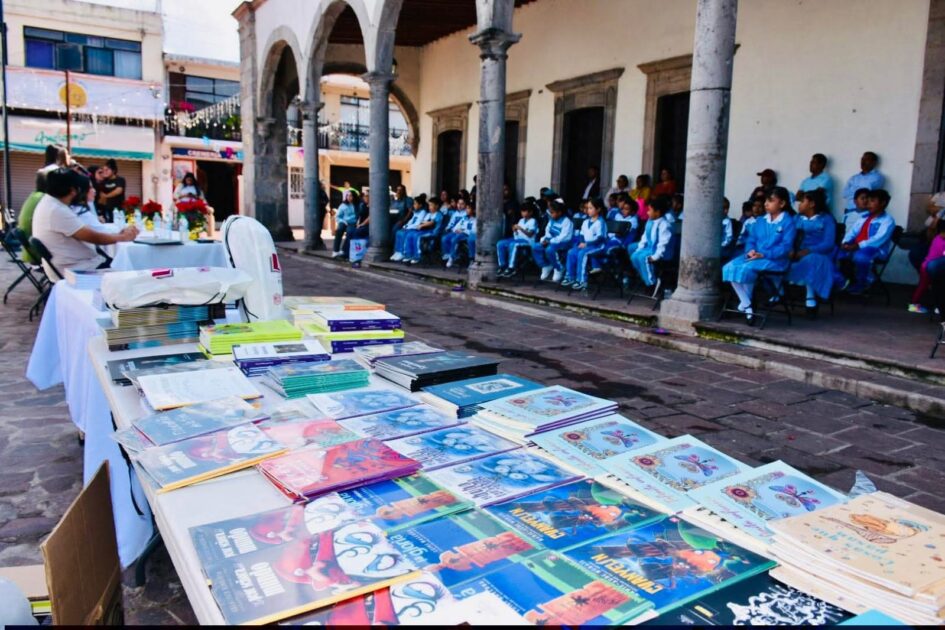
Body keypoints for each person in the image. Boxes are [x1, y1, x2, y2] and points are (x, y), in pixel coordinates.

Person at [32, 169, 138, 271]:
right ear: (74, 191)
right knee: (131, 269)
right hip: (78, 268)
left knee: (123, 264)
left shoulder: (50, 203)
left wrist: (118, 234)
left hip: (76, 263)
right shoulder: (57, 210)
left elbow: (87, 230)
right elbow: (94, 237)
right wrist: (123, 237)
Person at [722, 186, 797, 323]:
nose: (766, 204)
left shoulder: (788, 222)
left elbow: (785, 247)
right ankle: (747, 304)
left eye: (771, 201)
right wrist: (750, 250)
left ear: (782, 203)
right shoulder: (761, 221)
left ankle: (746, 305)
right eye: (766, 201)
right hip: (755, 257)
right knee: (730, 267)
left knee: (746, 269)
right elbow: (752, 239)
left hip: (775, 260)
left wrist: (764, 254)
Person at [835, 188, 896, 294]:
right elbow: (852, 232)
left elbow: (878, 239)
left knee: (861, 256)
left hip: (876, 250)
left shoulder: (887, 220)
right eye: (868, 200)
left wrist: (857, 246)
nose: (868, 203)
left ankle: (863, 283)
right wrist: (845, 241)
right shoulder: (863, 217)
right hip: (856, 246)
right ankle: (842, 281)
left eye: (872, 201)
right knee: (834, 252)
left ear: (882, 203)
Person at [787, 189, 837, 316]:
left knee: (812, 260)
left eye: (802, 201)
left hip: (820, 254)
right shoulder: (796, 218)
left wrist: (808, 251)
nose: (799, 204)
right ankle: (778, 293)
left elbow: (828, 243)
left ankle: (810, 298)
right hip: (796, 253)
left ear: (812, 204)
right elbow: (787, 237)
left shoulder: (826, 219)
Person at [628, 195, 673, 289]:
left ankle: (652, 283)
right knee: (634, 256)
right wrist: (639, 249)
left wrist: (656, 256)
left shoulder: (664, 224)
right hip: (650, 247)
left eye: (649, 210)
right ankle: (644, 279)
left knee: (643, 258)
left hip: (659, 251)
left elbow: (663, 243)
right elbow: (645, 236)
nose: (647, 212)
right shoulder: (650, 221)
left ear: (657, 212)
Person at [562, 198, 607, 291]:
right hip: (586, 245)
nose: (588, 210)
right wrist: (582, 242)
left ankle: (582, 280)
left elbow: (601, 238)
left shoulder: (600, 222)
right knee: (571, 252)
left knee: (583, 254)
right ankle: (570, 276)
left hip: (597, 246)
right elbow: (582, 234)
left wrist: (587, 244)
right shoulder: (586, 222)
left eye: (590, 208)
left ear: (598, 209)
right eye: (587, 208)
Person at [908, 219, 945, 313]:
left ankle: (915, 304)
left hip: (925, 265)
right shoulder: (942, 243)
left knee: (925, 286)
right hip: (929, 268)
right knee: (926, 286)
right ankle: (914, 305)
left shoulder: (936, 239)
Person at [532, 200, 574, 282]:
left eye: (553, 212)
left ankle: (559, 268)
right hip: (551, 241)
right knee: (536, 247)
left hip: (564, 243)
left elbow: (564, 236)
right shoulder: (551, 221)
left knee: (550, 249)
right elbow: (547, 232)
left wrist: (550, 241)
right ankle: (546, 265)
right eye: (550, 212)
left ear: (559, 212)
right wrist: (544, 239)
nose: (551, 214)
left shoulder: (567, 222)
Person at [496, 202, 538, 277]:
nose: (523, 213)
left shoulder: (533, 221)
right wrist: (514, 230)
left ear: (530, 212)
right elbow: (517, 234)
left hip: (527, 242)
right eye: (522, 211)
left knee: (513, 245)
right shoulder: (521, 220)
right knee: (500, 243)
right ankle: (502, 265)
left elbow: (530, 234)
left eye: (525, 211)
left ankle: (511, 267)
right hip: (518, 239)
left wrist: (521, 229)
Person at [841, 151, 884, 220]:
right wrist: (857, 191)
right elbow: (845, 193)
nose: (863, 162)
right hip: (849, 210)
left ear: (874, 162)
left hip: (864, 212)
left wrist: (854, 190)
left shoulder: (877, 177)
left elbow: (864, 193)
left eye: (866, 160)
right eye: (862, 159)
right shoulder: (854, 177)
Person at [402, 197, 443, 264]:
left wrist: (422, 225)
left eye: (431, 205)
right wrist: (423, 224)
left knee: (417, 237)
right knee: (410, 235)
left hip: (433, 232)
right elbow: (424, 221)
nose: (429, 207)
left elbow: (431, 223)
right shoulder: (429, 214)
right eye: (429, 205)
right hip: (426, 231)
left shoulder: (439, 214)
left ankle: (417, 256)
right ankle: (409, 254)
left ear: (437, 206)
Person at [390, 194, 427, 262]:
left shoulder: (423, 212)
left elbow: (417, 223)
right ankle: (397, 251)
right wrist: (405, 226)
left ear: (420, 205)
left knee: (404, 234)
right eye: (414, 204)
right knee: (398, 232)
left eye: (415, 204)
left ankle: (403, 252)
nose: (414, 205)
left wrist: (408, 227)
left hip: (415, 229)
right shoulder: (415, 212)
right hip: (410, 228)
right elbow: (411, 221)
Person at [445, 202, 476, 267]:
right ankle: (452, 257)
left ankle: (471, 258)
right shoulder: (464, 218)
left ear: (474, 210)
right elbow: (456, 226)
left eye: (469, 208)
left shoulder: (475, 219)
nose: (467, 210)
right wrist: (456, 230)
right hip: (461, 234)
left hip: (470, 235)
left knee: (468, 240)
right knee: (453, 238)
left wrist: (463, 230)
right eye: (466, 208)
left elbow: (474, 230)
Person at [332, 189, 361, 258]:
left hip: (353, 223)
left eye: (350, 196)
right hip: (344, 221)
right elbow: (338, 217)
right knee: (339, 230)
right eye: (347, 196)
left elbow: (360, 215)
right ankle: (335, 251)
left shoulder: (358, 205)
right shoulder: (343, 205)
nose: (348, 197)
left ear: (354, 196)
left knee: (350, 232)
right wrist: (343, 221)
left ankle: (343, 250)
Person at [95, 159, 125, 223]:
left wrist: (106, 196)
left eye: (107, 170)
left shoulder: (120, 179)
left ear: (113, 170)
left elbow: (118, 191)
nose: (104, 172)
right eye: (103, 170)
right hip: (105, 210)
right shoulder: (103, 181)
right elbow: (100, 196)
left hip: (118, 210)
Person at [343, 198, 370, 268]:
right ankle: (347, 254)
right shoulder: (362, 205)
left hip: (369, 226)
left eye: (367, 196)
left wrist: (362, 224)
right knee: (349, 232)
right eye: (365, 196)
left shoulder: (373, 206)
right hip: (361, 225)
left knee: (356, 232)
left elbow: (370, 218)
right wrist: (357, 224)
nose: (365, 198)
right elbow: (359, 216)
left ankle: (356, 258)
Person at [441, 197, 470, 262]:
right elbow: (451, 222)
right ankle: (447, 254)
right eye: (458, 203)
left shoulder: (466, 213)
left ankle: (453, 256)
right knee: (444, 238)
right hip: (454, 231)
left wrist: (461, 230)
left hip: (462, 232)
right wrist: (448, 227)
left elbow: (466, 225)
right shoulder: (455, 213)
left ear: (465, 205)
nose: (460, 205)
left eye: (462, 204)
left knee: (454, 239)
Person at [720, 197, 736, 262]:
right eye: (724, 208)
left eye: (727, 208)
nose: (726, 211)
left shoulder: (727, 222)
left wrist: (721, 245)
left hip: (723, 248)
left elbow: (729, 237)